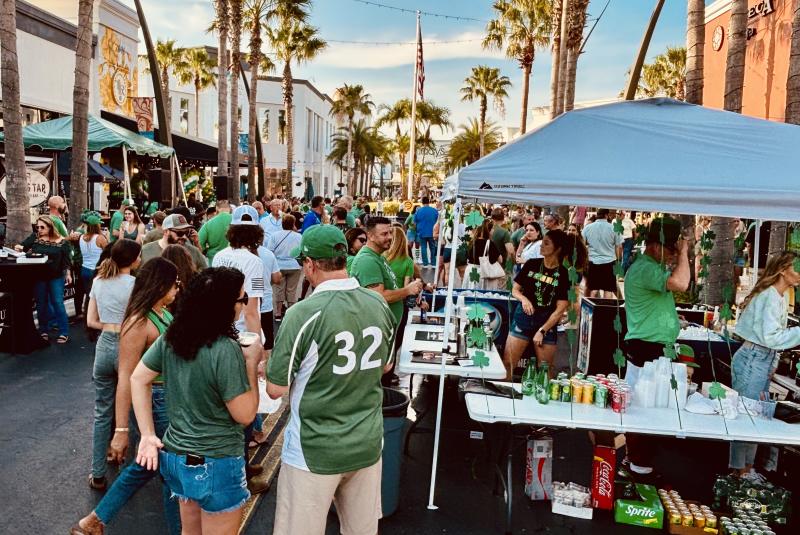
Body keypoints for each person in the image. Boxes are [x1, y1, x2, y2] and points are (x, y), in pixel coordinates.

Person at [265, 225, 395, 535]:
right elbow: (384, 366)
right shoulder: (377, 303)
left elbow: (275, 388)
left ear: (309, 264)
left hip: (314, 448)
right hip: (366, 442)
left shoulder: (302, 313)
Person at [131, 268, 261, 535]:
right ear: (225, 307)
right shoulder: (224, 349)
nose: (243, 304)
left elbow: (138, 378)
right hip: (217, 460)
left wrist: (147, 434)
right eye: (241, 299)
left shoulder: (173, 336)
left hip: (177, 456)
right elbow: (245, 414)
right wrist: (251, 362)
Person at [72, 258, 181, 535]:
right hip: (155, 401)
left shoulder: (163, 313)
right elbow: (126, 378)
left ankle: (95, 520)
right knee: (167, 467)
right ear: (160, 285)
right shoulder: (138, 322)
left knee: (150, 465)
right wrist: (121, 430)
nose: (177, 289)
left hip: (167, 398)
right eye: (174, 284)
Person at [623, 217, 689, 478]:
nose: (673, 256)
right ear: (657, 246)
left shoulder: (646, 267)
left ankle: (637, 462)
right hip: (648, 347)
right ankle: (640, 466)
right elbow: (682, 284)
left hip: (648, 344)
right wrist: (684, 253)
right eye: (671, 250)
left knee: (644, 403)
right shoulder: (647, 268)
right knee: (645, 406)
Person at [728, 251, 800, 481]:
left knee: (754, 416)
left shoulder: (778, 296)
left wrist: (774, 360)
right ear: (783, 271)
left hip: (759, 358)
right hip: (754, 358)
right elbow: (771, 337)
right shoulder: (770, 297)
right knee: (747, 416)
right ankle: (741, 470)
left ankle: (745, 468)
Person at [85, 239, 142, 490]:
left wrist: (110, 325)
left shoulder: (98, 281)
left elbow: (90, 321)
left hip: (104, 345)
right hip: (128, 346)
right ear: (131, 260)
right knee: (132, 408)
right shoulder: (135, 285)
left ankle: (98, 472)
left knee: (102, 411)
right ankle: (130, 463)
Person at [503, 230, 573, 379]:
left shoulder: (564, 274)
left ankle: (541, 398)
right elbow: (514, 290)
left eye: (546, 243)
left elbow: (561, 308)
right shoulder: (532, 264)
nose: (541, 245)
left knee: (545, 370)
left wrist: (542, 330)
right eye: (542, 242)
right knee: (508, 364)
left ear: (558, 248)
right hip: (523, 319)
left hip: (546, 323)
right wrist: (524, 299)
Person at [350, 216, 423, 328]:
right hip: (377, 329)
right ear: (370, 236)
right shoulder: (366, 260)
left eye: (390, 232)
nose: (390, 237)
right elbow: (379, 296)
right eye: (384, 234)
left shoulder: (379, 256)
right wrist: (407, 290)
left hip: (386, 327)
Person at [17, 216, 73, 343]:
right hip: (39, 277)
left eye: (42, 227)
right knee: (41, 304)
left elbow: (66, 261)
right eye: (37, 227)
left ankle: (64, 331)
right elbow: (22, 246)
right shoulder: (35, 237)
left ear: (50, 227)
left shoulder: (62, 242)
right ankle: (43, 330)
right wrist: (19, 247)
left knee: (57, 302)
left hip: (56, 276)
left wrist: (68, 274)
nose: (39, 229)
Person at [212, 205, 264, 336]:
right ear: (257, 233)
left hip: (220, 329)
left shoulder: (219, 256)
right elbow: (250, 310)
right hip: (243, 332)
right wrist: (257, 345)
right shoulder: (254, 262)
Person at [142, 213, 208, 271]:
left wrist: (197, 243)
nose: (184, 237)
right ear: (166, 231)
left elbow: (204, 275)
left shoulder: (193, 251)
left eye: (186, 232)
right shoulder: (145, 251)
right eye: (180, 233)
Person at [267, 214, 303, 319]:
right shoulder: (299, 237)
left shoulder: (274, 235)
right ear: (293, 224)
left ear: (282, 224)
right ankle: (290, 312)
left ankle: (278, 312)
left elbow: (270, 251)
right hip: (294, 266)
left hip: (279, 266)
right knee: (291, 289)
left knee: (279, 288)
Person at [582, 209, 623, 298]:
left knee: (593, 288)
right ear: (606, 215)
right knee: (608, 289)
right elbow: (619, 247)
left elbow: (582, 245)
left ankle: (593, 310)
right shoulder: (614, 228)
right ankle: (606, 310)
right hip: (609, 262)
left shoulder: (587, 228)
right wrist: (618, 261)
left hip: (593, 262)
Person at [79, 212, 109, 316]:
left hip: (84, 269)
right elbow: (108, 252)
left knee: (89, 295)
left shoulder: (82, 237)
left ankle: (87, 317)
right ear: (97, 225)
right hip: (96, 270)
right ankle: (95, 317)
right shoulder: (100, 238)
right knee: (98, 297)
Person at [465, 219, 503, 290]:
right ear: (489, 230)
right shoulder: (490, 243)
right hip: (483, 273)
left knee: (470, 294)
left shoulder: (471, 242)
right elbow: (500, 260)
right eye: (492, 229)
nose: (493, 231)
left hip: (470, 271)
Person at [198, 199, 232, 264]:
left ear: (217, 209)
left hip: (213, 261)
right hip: (233, 261)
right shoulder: (236, 222)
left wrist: (206, 251)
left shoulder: (208, 224)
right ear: (229, 208)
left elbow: (199, 242)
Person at [413, 196, 439, 267]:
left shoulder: (418, 211)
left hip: (421, 232)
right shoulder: (434, 211)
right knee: (433, 247)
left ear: (422, 202)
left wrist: (417, 230)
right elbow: (438, 222)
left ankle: (425, 263)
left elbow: (414, 223)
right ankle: (433, 263)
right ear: (429, 202)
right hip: (432, 232)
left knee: (423, 247)